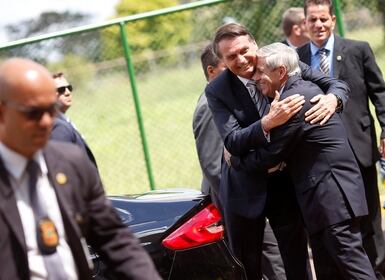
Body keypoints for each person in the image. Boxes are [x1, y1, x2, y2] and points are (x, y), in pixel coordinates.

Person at [205, 22, 349, 280]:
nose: (240, 60)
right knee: (248, 264)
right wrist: (267, 123)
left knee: (296, 258)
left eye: (244, 50)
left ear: (255, 45)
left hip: (286, 182)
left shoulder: (279, 62)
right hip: (244, 187)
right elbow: (232, 141)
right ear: (222, 60)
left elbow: (334, 83)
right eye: (231, 57)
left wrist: (333, 99)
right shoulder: (217, 90)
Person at [0, 58, 161, 280]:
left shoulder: (72, 163)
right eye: (33, 113)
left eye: (51, 110)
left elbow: (114, 239)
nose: (47, 122)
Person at [230, 42, 376, 280]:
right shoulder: (296, 90)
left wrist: (235, 161)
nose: (256, 77)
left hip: (332, 200)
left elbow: (272, 154)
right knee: (330, 272)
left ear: (280, 72)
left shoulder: (294, 100)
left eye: (261, 71)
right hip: (323, 202)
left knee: (354, 270)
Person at [297, 1, 385, 278]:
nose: (318, 25)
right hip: (319, 159)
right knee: (334, 224)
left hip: (359, 149)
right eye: (312, 20)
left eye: (323, 19)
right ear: (304, 23)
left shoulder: (357, 49)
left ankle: (376, 274)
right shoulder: (297, 58)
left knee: (369, 222)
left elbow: (381, 92)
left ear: (332, 20)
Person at [193, 44, 286, 280]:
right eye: (229, 64)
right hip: (243, 199)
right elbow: (214, 166)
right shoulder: (209, 104)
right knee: (271, 261)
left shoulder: (245, 90)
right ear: (212, 71)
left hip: (257, 192)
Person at [50, 72, 97, 167]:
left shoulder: (63, 120)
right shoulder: (57, 127)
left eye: (69, 88)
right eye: (61, 90)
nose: (68, 93)